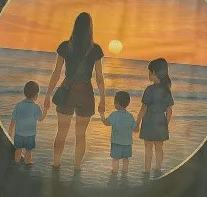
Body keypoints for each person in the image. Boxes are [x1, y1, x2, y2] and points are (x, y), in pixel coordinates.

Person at [44, 12, 103, 173]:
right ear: (90, 28)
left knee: (61, 133)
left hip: (67, 90)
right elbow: (99, 78)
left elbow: (56, 73)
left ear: (75, 26)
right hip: (86, 92)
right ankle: (77, 168)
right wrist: (103, 99)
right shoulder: (95, 49)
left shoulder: (65, 46)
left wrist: (48, 94)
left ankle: (56, 164)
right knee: (81, 135)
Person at [137, 58, 173, 177]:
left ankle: (147, 170)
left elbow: (143, 108)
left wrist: (137, 123)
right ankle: (158, 168)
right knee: (159, 147)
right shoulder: (167, 90)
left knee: (148, 147)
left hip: (149, 120)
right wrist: (165, 124)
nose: (148, 75)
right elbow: (169, 110)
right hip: (160, 121)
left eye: (149, 72)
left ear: (154, 73)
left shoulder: (149, 89)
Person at [8, 81, 43, 166]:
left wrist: (10, 131)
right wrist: (45, 109)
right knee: (28, 150)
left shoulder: (19, 105)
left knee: (18, 149)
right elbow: (40, 119)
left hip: (19, 133)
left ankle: (16, 162)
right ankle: (27, 163)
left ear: (24, 93)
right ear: (36, 95)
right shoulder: (36, 107)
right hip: (30, 134)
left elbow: (13, 119)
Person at [105, 91, 136, 179]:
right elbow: (134, 128)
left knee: (115, 159)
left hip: (116, 142)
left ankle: (114, 174)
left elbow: (106, 123)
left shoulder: (114, 115)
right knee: (126, 159)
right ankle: (124, 174)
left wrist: (102, 115)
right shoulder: (130, 116)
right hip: (127, 143)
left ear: (117, 103)